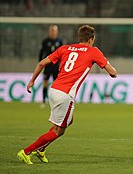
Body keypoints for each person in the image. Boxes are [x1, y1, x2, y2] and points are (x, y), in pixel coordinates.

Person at [17, 25, 117, 164]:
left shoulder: (65, 48)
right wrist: (109, 66)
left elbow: (41, 63)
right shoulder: (93, 51)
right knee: (58, 130)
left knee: (68, 121)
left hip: (54, 90)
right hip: (65, 94)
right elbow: (113, 73)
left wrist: (32, 81)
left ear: (79, 38)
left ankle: (41, 149)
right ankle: (27, 151)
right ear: (91, 39)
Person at [39, 25, 63, 106]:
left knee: (56, 85)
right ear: (49, 32)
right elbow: (41, 53)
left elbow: (63, 54)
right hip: (47, 66)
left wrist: (61, 65)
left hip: (56, 66)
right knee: (45, 82)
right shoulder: (45, 41)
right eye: (52, 31)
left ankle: (56, 101)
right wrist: (41, 64)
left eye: (54, 31)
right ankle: (43, 101)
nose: (53, 32)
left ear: (57, 32)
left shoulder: (60, 41)